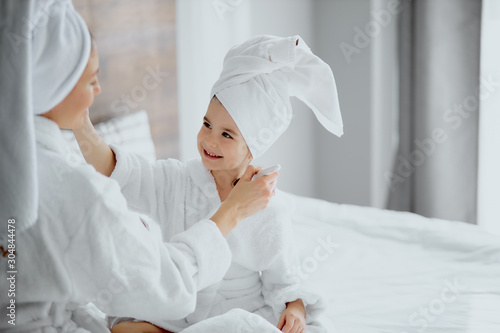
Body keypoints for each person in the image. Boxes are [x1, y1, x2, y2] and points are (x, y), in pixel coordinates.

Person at [0, 2, 277, 332]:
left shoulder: (21, 166)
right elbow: (169, 286)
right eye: (91, 81)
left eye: (228, 134)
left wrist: (294, 300)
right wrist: (231, 211)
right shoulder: (90, 194)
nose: (99, 90)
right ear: (52, 86)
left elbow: (283, 271)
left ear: (252, 148)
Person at [74, 35, 343, 333]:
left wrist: (295, 310)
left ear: (253, 147)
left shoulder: (269, 207)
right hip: (178, 315)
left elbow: (284, 280)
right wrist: (80, 125)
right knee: (125, 329)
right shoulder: (175, 180)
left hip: (239, 314)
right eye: (207, 124)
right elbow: (123, 173)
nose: (210, 140)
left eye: (227, 135)